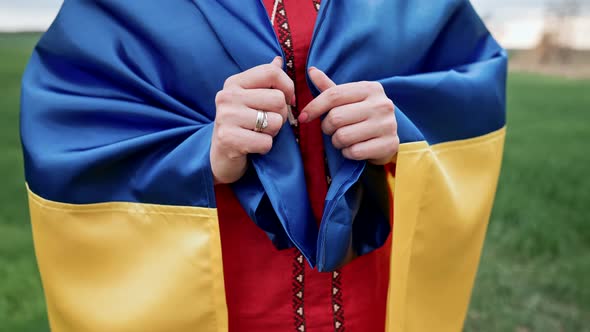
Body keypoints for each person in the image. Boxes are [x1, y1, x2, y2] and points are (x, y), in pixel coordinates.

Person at [20, 0, 507, 331]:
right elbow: (72, 116)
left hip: (368, 289)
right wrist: (202, 153)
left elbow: (471, 83)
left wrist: (404, 124)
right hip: (218, 285)